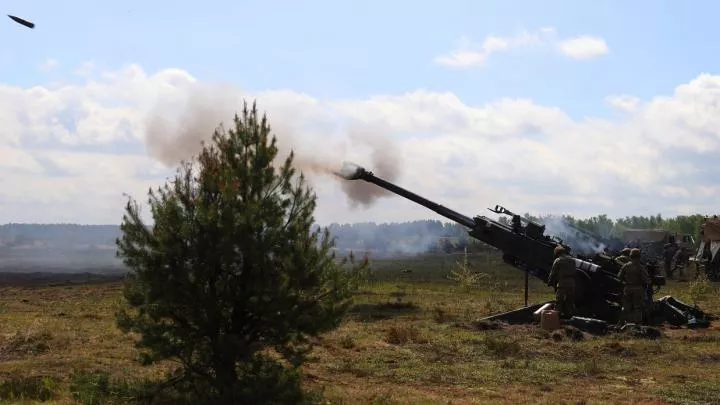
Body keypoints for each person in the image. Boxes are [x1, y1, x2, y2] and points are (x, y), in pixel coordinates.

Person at [617, 248, 651, 324]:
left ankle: (621, 322)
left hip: (627, 288)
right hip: (638, 289)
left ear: (631, 256)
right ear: (639, 256)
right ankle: (637, 324)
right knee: (638, 307)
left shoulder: (626, 266)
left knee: (625, 307)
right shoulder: (641, 267)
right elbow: (647, 280)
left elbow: (619, 276)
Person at [547, 245, 576, 319]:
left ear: (557, 253)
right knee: (569, 301)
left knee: (559, 301)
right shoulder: (572, 260)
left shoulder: (558, 260)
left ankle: (556, 317)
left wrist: (549, 282)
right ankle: (572, 317)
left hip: (563, 283)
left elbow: (553, 273)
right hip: (572, 283)